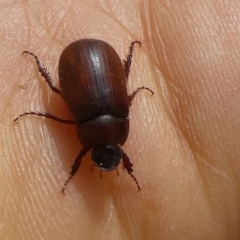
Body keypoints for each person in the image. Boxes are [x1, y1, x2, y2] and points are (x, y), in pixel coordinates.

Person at [1, 1, 240, 239]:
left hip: (84, 63)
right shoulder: (109, 121)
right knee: (58, 88)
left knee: (59, 89)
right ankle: (121, 56)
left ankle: (121, 56)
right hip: (91, 60)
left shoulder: (112, 118)